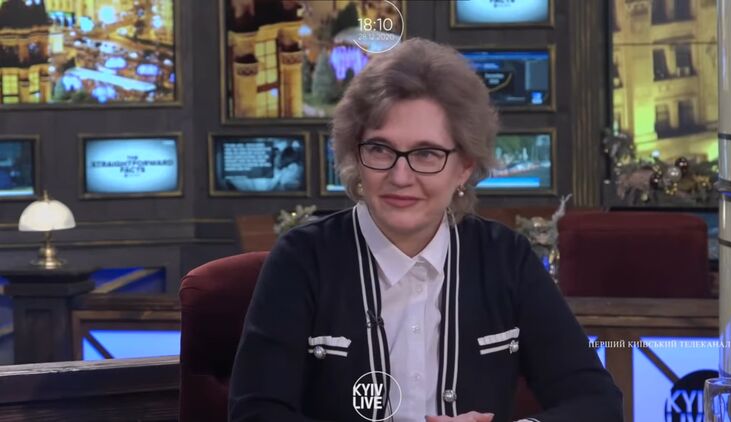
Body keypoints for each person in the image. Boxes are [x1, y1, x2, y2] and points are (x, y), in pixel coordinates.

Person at [229, 38, 623, 422]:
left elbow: (597, 402)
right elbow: (256, 412)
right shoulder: (302, 259)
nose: (401, 176)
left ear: (464, 167)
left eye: (427, 154)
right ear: (356, 156)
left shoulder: (506, 259)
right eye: (380, 149)